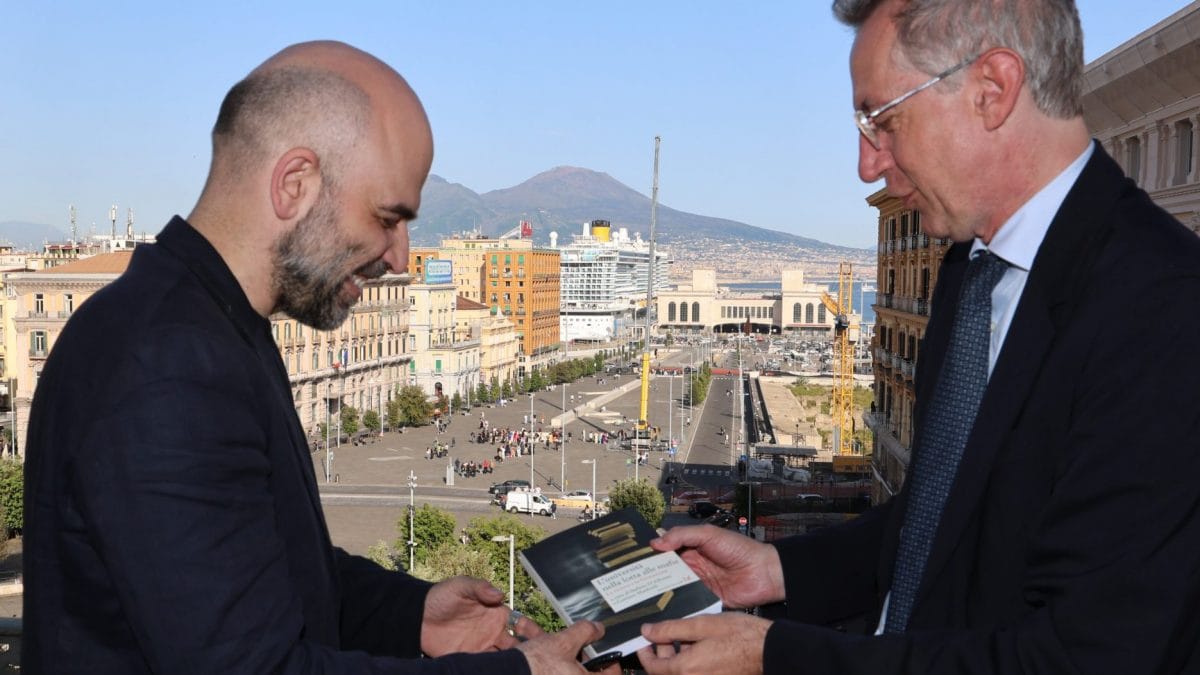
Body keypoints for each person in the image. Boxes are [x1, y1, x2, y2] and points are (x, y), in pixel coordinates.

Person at [637, 1, 1200, 673]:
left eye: (882, 119)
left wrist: (779, 655)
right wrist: (778, 568)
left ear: (992, 90)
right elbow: (942, 519)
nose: (867, 164)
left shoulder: (1165, 309)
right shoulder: (970, 269)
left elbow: (1087, 652)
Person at [22, 41, 608, 673]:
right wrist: (521, 671)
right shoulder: (168, 363)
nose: (400, 257)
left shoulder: (208, 327)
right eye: (389, 217)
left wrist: (409, 614)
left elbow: (257, 572)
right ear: (295, 184)